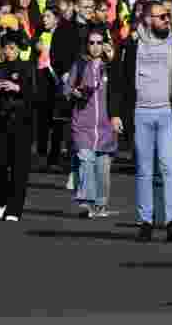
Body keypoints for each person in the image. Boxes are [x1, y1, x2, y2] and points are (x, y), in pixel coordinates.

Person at [112, 0, 172, 243]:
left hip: (169, 114)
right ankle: (146, 221)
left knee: (170, 167)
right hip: (140, 114)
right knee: (143, 170)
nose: (167, 20)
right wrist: (116, 112)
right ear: (148, 19)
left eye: (168, 16)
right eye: (161, 16)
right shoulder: (132, 46)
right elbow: (120, 81)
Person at [63, 26, 120, 218]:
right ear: (86, 45)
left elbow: (121, 89)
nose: (95, 47)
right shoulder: (79, 65)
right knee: (86, 162)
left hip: (105, 126)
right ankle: (86, 204)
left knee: (103, 168)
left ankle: (101, 205)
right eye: (91, 43)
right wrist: (74, 92)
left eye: (99, 42)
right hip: (83, 124)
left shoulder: (110, 66)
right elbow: (66, 89)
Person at [0, 30, 41, 221]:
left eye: (12, 48)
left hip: (21, 123)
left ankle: (14, 209)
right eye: (6, 48)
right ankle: (1, 198)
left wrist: (17, 87)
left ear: (19, 49)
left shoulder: (28, 67)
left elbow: (35, 94)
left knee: (19, 168)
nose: (8, 52)